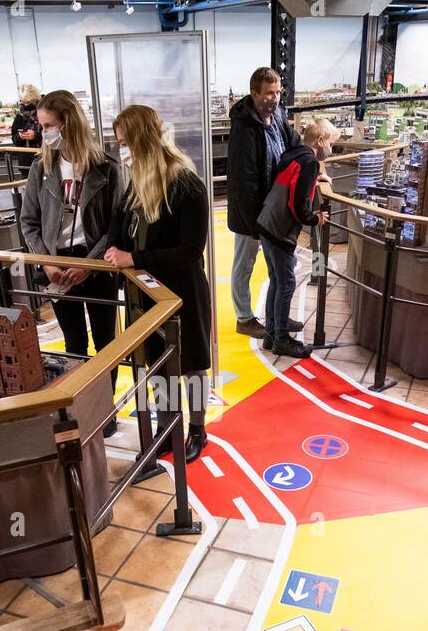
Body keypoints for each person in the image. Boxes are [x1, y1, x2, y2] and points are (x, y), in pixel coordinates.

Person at [104, 104, 212, 463]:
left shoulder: (185, 183)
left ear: (141, 140)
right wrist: (114, 251)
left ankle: (197, 429)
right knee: (158, 366)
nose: (121, 150)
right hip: (145, 296)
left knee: (192, 364)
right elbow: (119, 233)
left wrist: (135, 258)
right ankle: (169, 429)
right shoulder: (133, 184)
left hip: (182, 294)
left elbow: (190, 250)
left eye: (125, 143)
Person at [19, 89, 124, 437]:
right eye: (42, 125)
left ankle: (105, 411)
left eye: (49, 125)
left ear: (69, 122)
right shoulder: (41, 168)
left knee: (107, 343)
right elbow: (29, 221)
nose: (44, 131)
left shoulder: (105, 168)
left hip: (96, 265)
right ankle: (83, 410)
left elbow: (115, 227)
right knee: (74, 344)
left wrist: (91, 264)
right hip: (57, 265)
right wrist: (46, 261)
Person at [226, 67, 301, 340]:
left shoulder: (279, 117)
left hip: (276, 210)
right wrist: (255, 224)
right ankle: (244, 318)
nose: (275, 98)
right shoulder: (244, 129)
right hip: (252, 214)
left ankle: (276, 316)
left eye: (278, 92)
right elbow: (243, 183)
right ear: (254, 93)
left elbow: (294, 145)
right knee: (244, 265)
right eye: (269, 93)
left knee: (278, 266)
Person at [256, 118, 337, 359]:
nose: (331, 150)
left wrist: (314, 179)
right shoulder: (310, 161)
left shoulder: (295, 154)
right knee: (286, 283)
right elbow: (297, 204)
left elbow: (293, 182)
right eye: (331, 143)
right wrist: (315, 219)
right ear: (320, 140)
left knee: (277, 281)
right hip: (280, 229)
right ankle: (281, 339)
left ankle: (271, 335)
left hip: (267, 222)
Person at [12, 84, 42, 149]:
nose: (25, 105)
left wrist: (36, 136)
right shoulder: (19, 116)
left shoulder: (44, 112)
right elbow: (14, 140)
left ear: (36, 99)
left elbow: (53, 136)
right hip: (26, 157)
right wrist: (20, 136)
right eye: (23, 102)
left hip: (44, 155)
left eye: (28, 102)